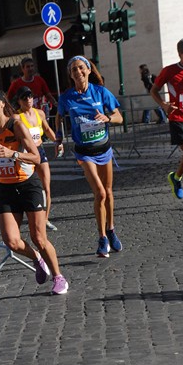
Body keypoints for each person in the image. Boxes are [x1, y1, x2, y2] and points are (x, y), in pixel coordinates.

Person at [0, 86, 68, 295]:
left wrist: (13, 154)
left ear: (2, 103)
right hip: (5, 188)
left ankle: (58, 276)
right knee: (11, 241)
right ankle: (37, 258)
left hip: (28, 186)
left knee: (39, 237)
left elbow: (36, 157)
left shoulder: (16, 125)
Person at [56, 56, 123, 258]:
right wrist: (58, 137)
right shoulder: (66, 97)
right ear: (70, 74)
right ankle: (101, 237)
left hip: (103, 148)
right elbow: (59, 117)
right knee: (100, 193)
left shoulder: (100, 92)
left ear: (88, 70)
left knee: (109, 192)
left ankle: (111, 230)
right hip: (84, 153)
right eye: (74, 69)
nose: (78, 72)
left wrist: (108, 118)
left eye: (81, 68)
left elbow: (119, 117)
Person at [14, 85, 58, 231]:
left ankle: (45, 219)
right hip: (26, 153)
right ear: (19, 101)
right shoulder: (16, 117)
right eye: (24, 97)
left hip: (39, 150)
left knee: (47, 186)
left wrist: (58, 142)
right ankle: (29, 215)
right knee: (26, 186)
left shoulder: (39, 113)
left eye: (30, 96)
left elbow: (46, 129)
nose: (28, 99)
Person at [150, 39, 183, 200]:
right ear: (180, 54)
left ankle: (176, 177)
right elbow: (154, 90)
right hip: (178, 118)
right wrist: (164, 105)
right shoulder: (169, 71)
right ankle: (177, 178)